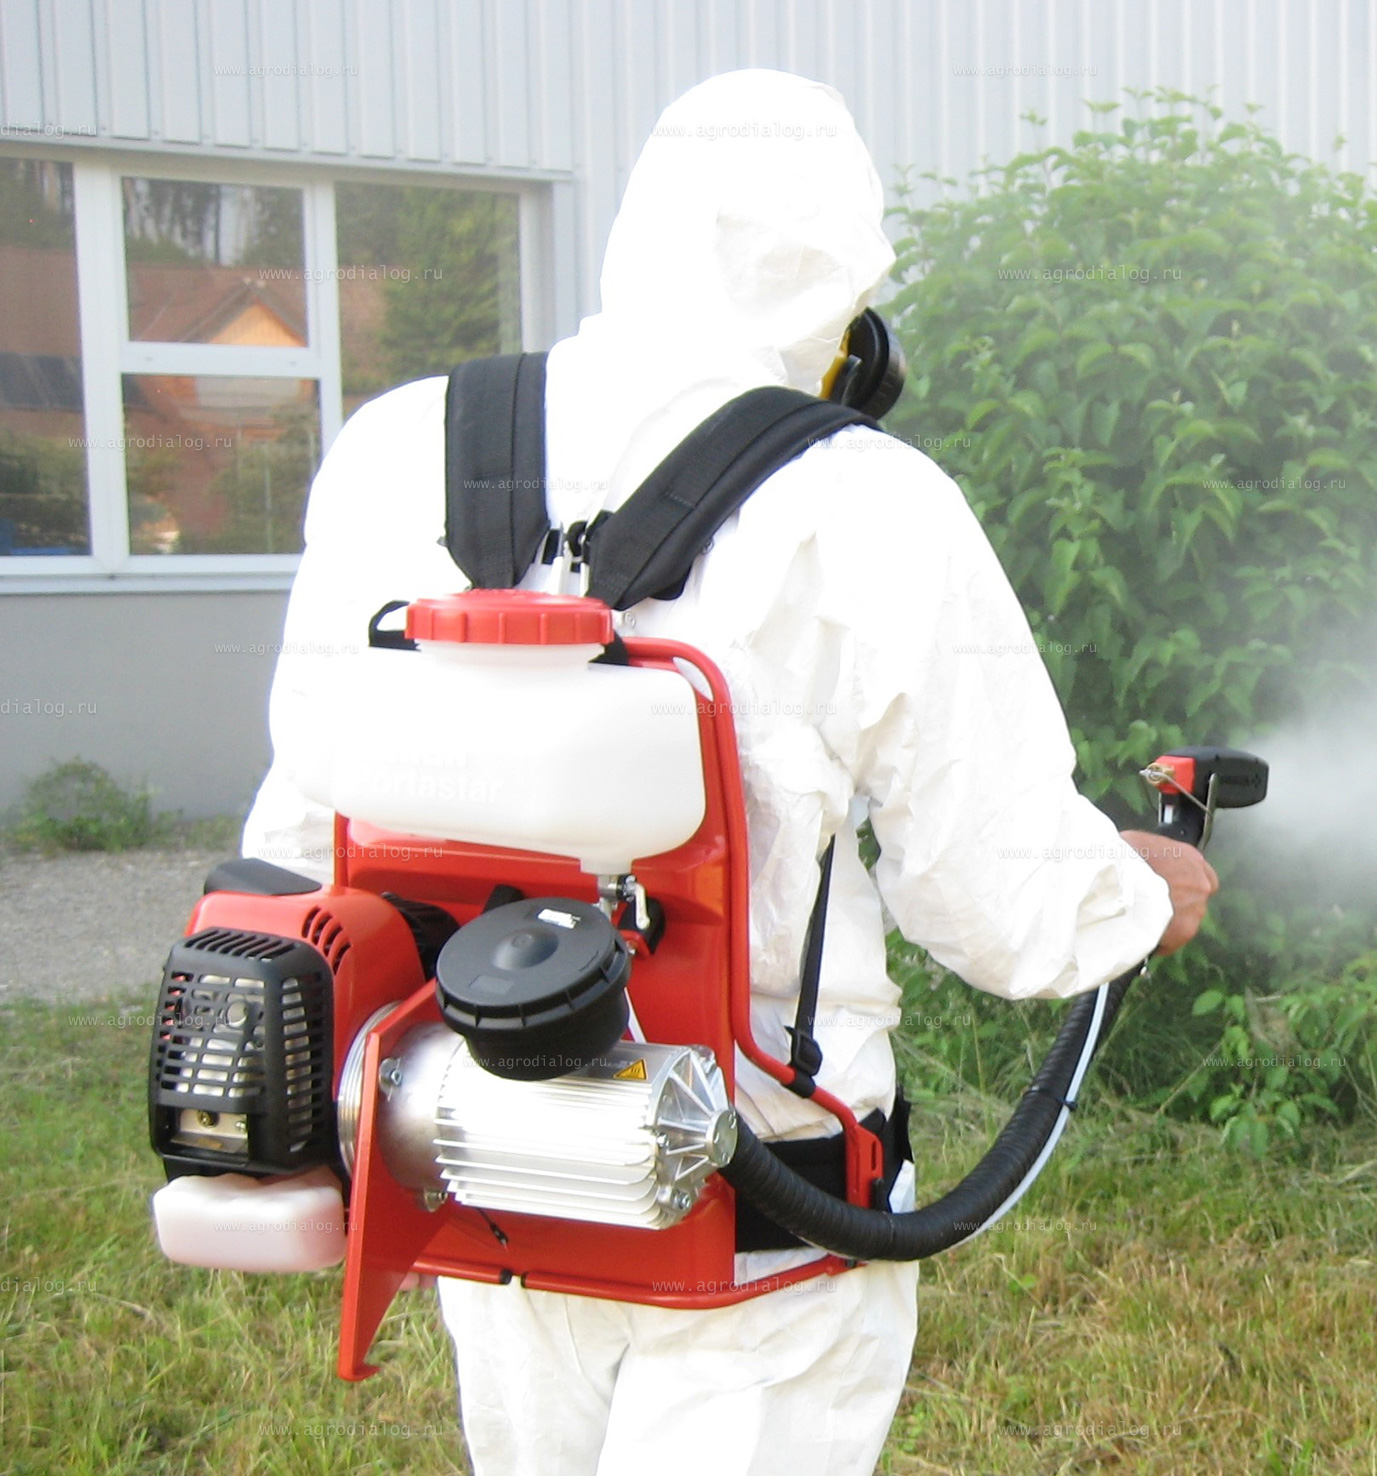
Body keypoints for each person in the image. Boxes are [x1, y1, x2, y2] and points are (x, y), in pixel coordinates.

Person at [241, 69, 1218, 1476]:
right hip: (758, 1201)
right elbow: (997, 904)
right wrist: (1138, 892)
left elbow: (304, 818)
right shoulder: (867, 500)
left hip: (481, 1158)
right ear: (843, 297)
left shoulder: (393, 448)